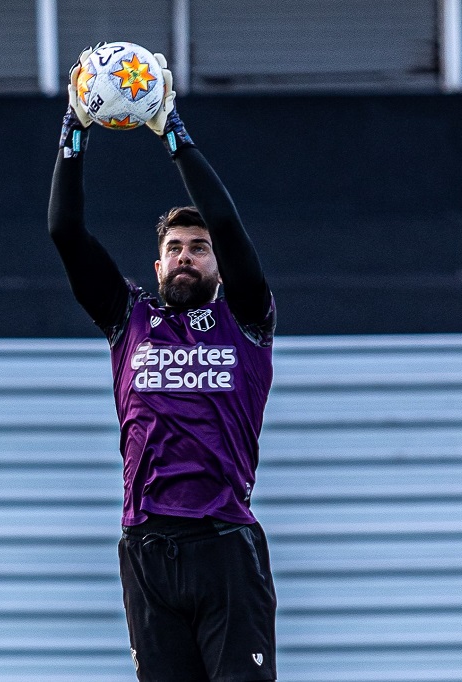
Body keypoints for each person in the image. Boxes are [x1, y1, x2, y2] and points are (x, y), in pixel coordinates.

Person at [48, 45, 278, 682]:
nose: (185, 256)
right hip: (147, 548)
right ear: (156, 266)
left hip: (224, 544)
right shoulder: (129, 320)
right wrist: (75, 125)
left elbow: (229, 224)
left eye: (198, 250)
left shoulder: (247, 318)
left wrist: (171, 129)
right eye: (174, 248)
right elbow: (65, 231)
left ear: (217, 266)